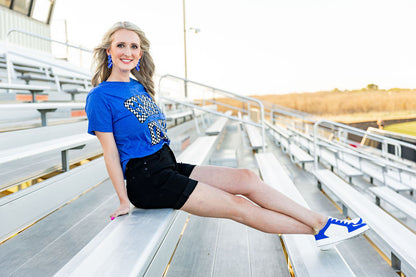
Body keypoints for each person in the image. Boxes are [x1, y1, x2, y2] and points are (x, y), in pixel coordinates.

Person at [85, 21, 369, 249]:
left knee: (245, 177)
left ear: (140, 54)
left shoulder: (139, 87)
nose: (127, 51)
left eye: (133, 46)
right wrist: (123, 200)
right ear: (108, 52)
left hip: (166, 165)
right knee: (238, 206)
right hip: (147, 180)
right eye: (120, 45)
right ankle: (321, 227)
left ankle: (322, 224)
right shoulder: (100, 97)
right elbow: (110, 153)